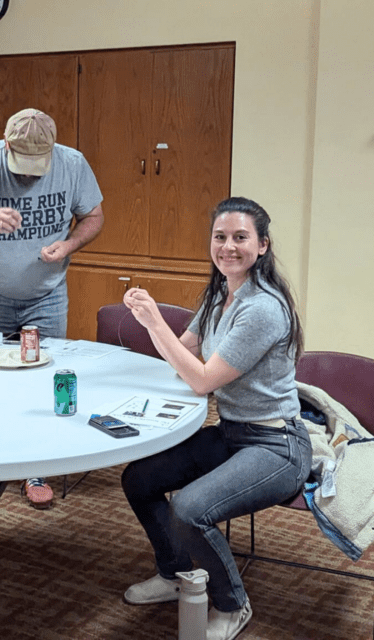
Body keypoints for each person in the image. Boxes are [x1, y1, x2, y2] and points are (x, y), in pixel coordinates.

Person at [119, 197, 312, 640]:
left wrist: (152, 322)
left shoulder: (262, 307)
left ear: (262, 245)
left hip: (276, 445)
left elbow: (202, 380)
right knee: (139, 479)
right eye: (220, 237)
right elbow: (184, 352)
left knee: (189, 509)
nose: (228, 247)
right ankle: (174, 574)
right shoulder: (220, 291)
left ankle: (232, 604)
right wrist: (151, 328)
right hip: (232, 433)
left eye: (240, 238)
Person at [0, 108, 104, 509]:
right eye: (23, 164)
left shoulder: (72, 163)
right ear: (6, 144)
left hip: (46, 294)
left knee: (41, 377)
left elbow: (94, 216)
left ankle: (36, 467)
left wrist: (67, 246)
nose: (30, 175)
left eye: (39, 165)